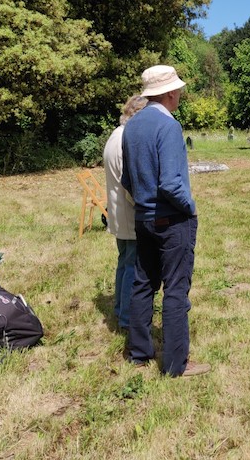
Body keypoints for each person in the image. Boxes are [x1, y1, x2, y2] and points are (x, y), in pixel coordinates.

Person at [121, 65, 208, 377]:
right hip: (172, 221)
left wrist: (144, 202)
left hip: (144, 219)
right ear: (171, 92)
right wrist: (191, 207)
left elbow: (126, 179)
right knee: (175, 288)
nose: (180, 93)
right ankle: (174, 364)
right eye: (178, 89)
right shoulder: (168, 127)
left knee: (143, 284)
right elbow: (171, 184)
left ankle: (139, 353)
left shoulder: (132, 126)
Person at [103, 94, 147, 331]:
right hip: (130, 213)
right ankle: (128, 317)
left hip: (118, 213)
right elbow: (130, 183)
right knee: (132, 266)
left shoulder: (115, 135)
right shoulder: (125, 140)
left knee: (124, 262)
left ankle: (121, 310)